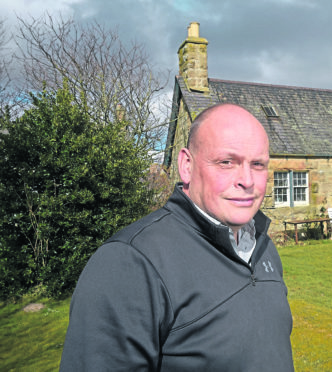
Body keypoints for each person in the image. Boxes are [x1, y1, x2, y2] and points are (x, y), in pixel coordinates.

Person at [60, 103, 294, 371]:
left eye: (258, 164)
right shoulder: (130, 262)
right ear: (186, 165)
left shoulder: (262, 246)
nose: (247, 180)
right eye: (227, 162)